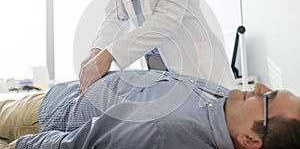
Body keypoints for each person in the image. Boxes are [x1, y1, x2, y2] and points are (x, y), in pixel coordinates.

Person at [0, 70, 299, 149]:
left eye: (268, 99)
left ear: (249, 139)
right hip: (67, 93)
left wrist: (24, 145)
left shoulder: (165, 130)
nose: (260, 88)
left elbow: (80, 145)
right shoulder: (225, 101)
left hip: (44, 117)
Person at [79, 0, 235, 94]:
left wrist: (110, 54)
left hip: (195, 65)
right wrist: (96, 51)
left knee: (212, 119)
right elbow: (117, 15)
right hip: (156, 68)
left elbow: (168, 18)